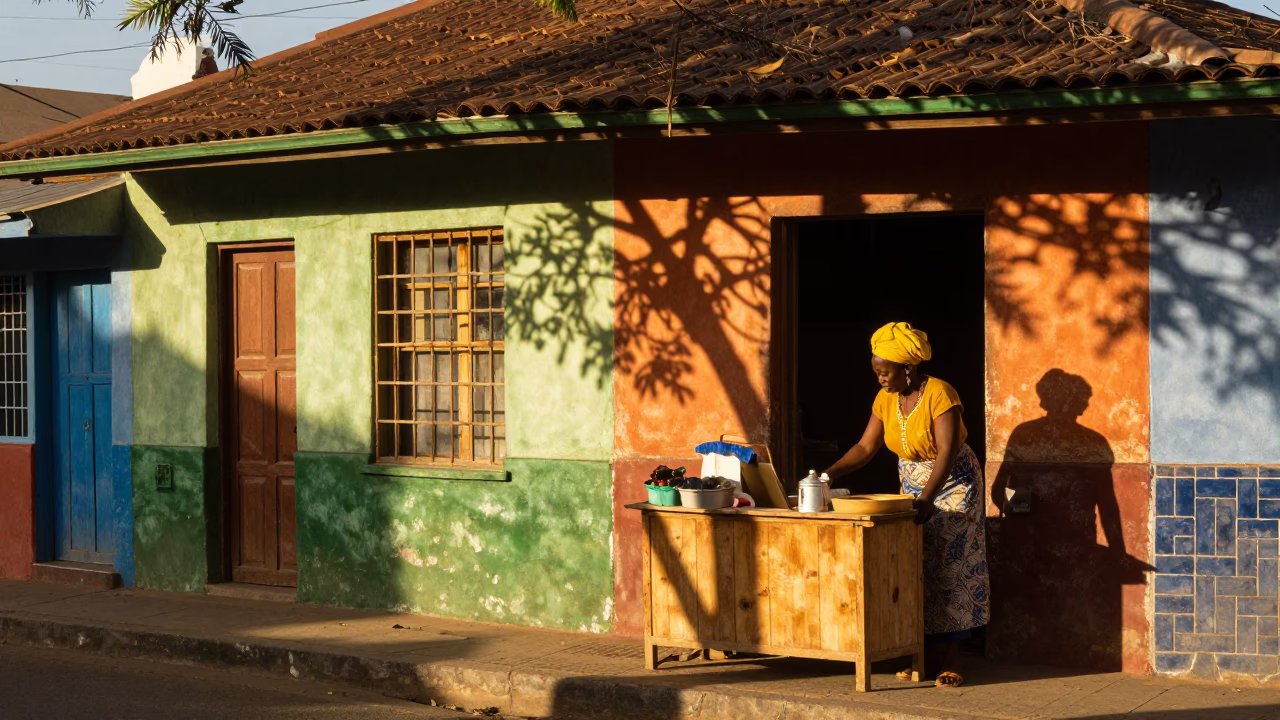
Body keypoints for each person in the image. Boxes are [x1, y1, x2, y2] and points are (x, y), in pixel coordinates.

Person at [823, 321, 989, 688]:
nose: (880, 379)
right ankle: (921, 656)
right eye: (877, 373)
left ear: (907, 367)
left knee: (950, 566)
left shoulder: (941, 394)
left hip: (953, 485)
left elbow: (946, 451)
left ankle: (952, 659)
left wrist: (927, 498)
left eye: (884, 372)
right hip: (913, 484)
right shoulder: (886, 400)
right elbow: (866, 448)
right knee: (915, 565)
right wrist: (829, 475)